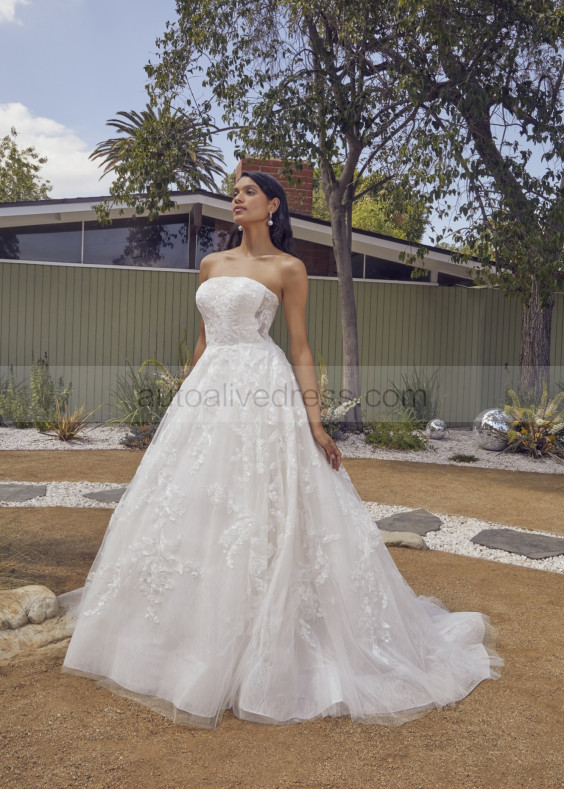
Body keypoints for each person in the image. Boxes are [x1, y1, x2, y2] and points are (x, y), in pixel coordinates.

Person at [60, 172, 502, 729]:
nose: (236, 198)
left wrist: (315, 421)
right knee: (194, 509)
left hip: (261, 393)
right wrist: (181, 405)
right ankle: (184, 640)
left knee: (263, 507)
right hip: (209, 394)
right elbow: (202, 340)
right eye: (234, 191)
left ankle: (266, 644)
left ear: (272, 205)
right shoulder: (211, 266)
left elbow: (300, 346)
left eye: (247, 191)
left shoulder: (289, 270)